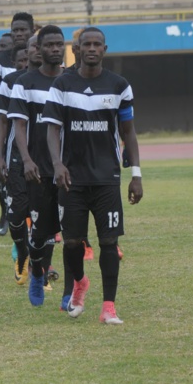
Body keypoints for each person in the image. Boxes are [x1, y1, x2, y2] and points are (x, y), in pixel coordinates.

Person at [43, 27, 143, 324]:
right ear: (76, 49)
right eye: (86, 44)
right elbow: (52, 129)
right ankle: (79, 283)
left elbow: (129, 132)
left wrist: (136, 174)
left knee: (109, 241)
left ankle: (109, 307)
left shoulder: (119, 86)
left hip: (106, 179)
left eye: (97, 44)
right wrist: (58, 165)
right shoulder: (62, 85)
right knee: (73, 242)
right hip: (71, 179)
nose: (91, 48)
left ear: (104, 49)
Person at [8, 26, 66, 306]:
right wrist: (27, 159)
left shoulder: (72, 80)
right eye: (50, 45)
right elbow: (19, 125)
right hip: (38, 169)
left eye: (59, 44)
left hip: (69, 169)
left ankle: (70, 289)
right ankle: (37, 273)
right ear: (39, 49)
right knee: (40, 231)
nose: (55, 49)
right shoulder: (25, 82)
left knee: (71, 232)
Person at [0, 12, 34, 236]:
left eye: (23, 30)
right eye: (16, 30)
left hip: (30, 122)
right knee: (2, 169)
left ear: (32, 31)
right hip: (0, 120)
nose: (19, 33)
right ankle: (6, 211)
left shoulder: (40, 53)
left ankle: (34, 216)